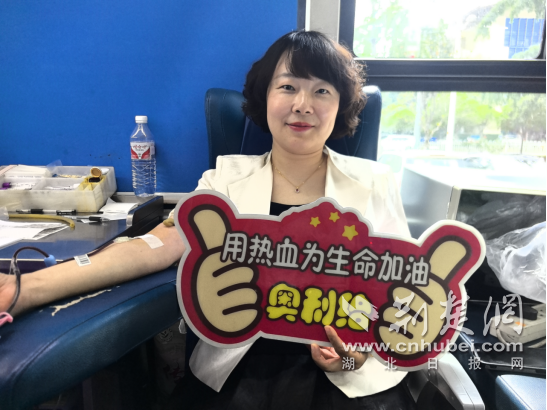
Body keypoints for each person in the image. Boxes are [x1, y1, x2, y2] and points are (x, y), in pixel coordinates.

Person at [0, 31, 414, 409]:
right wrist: (26, 288)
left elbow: (404, 289)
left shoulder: (374, 182)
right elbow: (153, 247)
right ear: (264, 96)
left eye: (321, 90)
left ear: (340, 104)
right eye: (287, 86)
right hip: (240, 366)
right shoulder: (225, 179)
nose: (302, 104)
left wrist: (355, 354)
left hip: (342, 374)